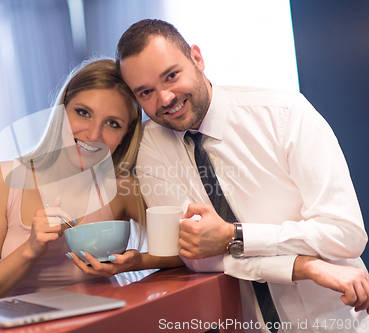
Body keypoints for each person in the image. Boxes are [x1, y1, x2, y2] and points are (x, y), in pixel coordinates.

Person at [115, 19, 369, 332]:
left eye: (171, 75)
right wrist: (305, 265)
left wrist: (234, 236)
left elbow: (345, 235)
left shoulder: (286, 114)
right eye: (146, 92)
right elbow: (198, 256)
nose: (165, 98)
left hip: (337, 323)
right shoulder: (151, 146)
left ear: (197, 58)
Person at [0, 58, 182, 300]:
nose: (93, 134)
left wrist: (137, 261)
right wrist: (30, 249)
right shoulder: (3, 180)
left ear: (124, 135)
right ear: (60, 113)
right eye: (83, 113)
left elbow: (187, 252)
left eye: (112, 124)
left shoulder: (120, 188)